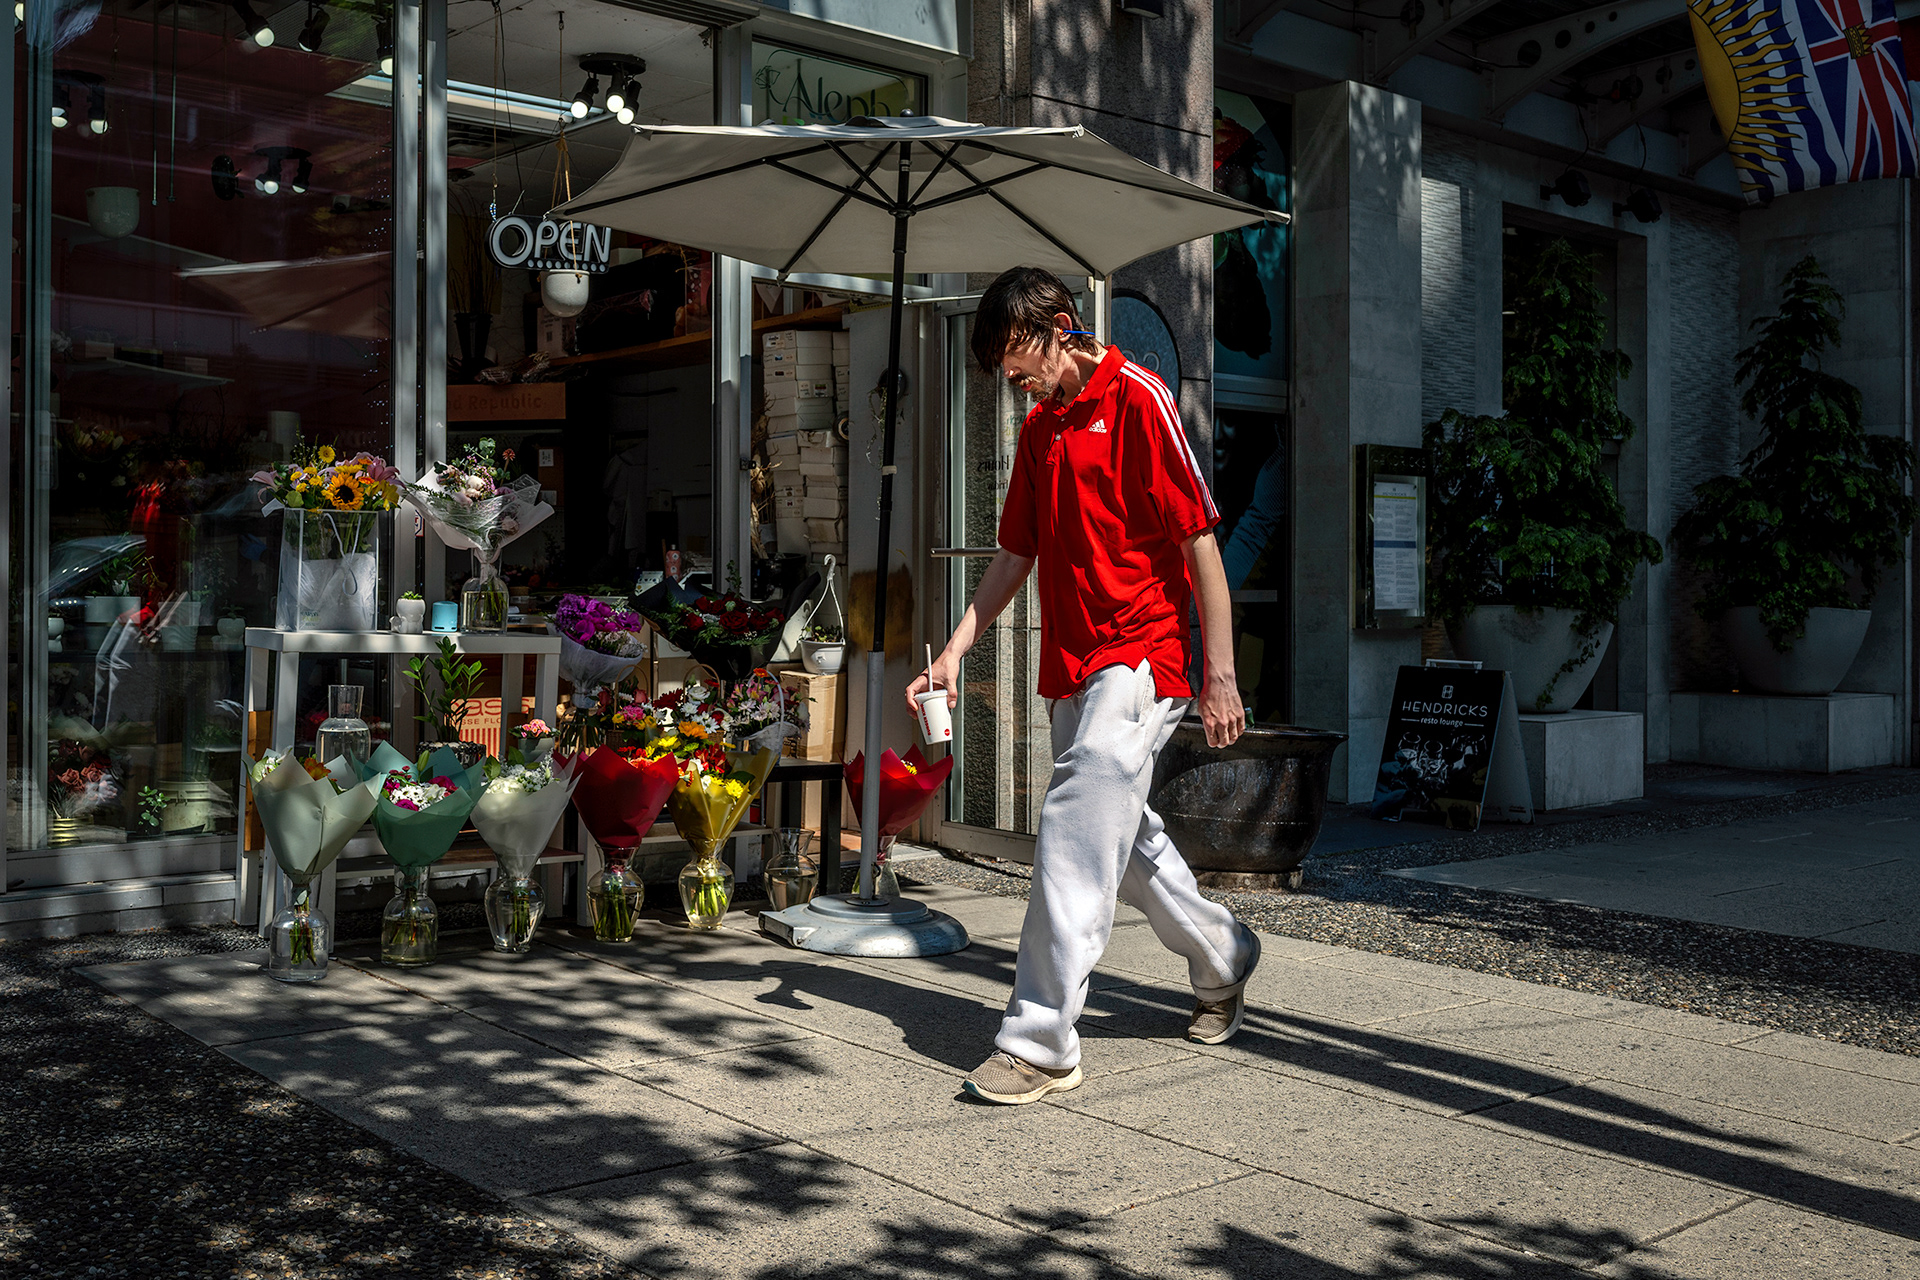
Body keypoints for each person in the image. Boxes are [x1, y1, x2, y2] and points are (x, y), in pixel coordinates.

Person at [907, 266, 1262, 1106]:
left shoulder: (1142, 399)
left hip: (1141, 656)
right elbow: (1014, 554)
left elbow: (1200, 541)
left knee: (1075, 820)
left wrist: (1220, 676)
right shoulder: (1042, 429)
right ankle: (1222, 953)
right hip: (1070, 665)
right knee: (1120, 837)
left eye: (1014, 354)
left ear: (1060, 326)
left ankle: (1041, 1039)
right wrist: (955, 651)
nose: (1009, 374)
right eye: (998, 363)